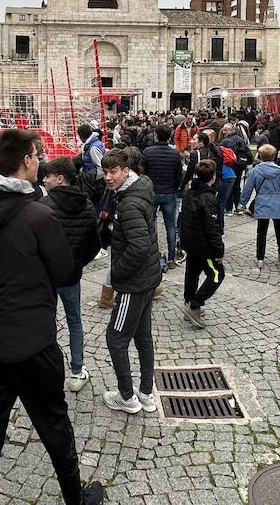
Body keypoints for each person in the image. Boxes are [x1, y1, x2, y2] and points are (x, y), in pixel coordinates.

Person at [0, 129, 105, 505]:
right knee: (54, 423)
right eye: (37, 155)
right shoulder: (40, 216)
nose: (40, 161)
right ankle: (76, 497)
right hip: (34, 341)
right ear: (26, 161)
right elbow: (64, 271)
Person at [100, 148, 162, 415]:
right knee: (143, 337)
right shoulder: (137, 191)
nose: (108, 177)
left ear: (126, 171)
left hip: (134, 284)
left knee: (115, 338)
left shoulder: (129, 203)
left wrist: (119, 275)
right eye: (105, 172)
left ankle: (127, 397)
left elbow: (139, 247)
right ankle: (146, 393)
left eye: (113, 171)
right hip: (147, 279)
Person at [40, 156, 102, 392]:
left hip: (47, 277)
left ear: (60, 178)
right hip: (72, 276)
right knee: (74, 321)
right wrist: (77, 263)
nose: (44, 180)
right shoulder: (87, 206)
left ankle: (48, 370)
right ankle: (77, 369)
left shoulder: (43, 207)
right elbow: (94, 245)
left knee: (47, 322)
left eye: (47, 176)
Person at [179, 159, 224, 327]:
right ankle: (195, 304)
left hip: (190, 242)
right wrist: (219, 250)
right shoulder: (208, 198)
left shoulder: (189, 192)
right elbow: (212, 228)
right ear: (213, 177)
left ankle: (189, 302)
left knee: (192, 272)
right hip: (204, 246)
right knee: (217, 274)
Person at [240, 144, 280, 269]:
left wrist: (242, 203)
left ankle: (260, 258)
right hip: (278, 203)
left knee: (261, 232)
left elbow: (247, 189)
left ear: (260, 156)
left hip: (262, 202)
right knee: (279, 229)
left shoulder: (255, 171)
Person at [141, 125, 184, 269]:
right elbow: (179, 176)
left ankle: (151, 256)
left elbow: (143, 173)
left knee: (150, 225)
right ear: (170, 137)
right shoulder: (175, 154)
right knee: (170, 225)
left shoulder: (147, 152)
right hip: (169, 192)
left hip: (152, 192)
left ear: (155, 136)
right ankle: (171, 259)